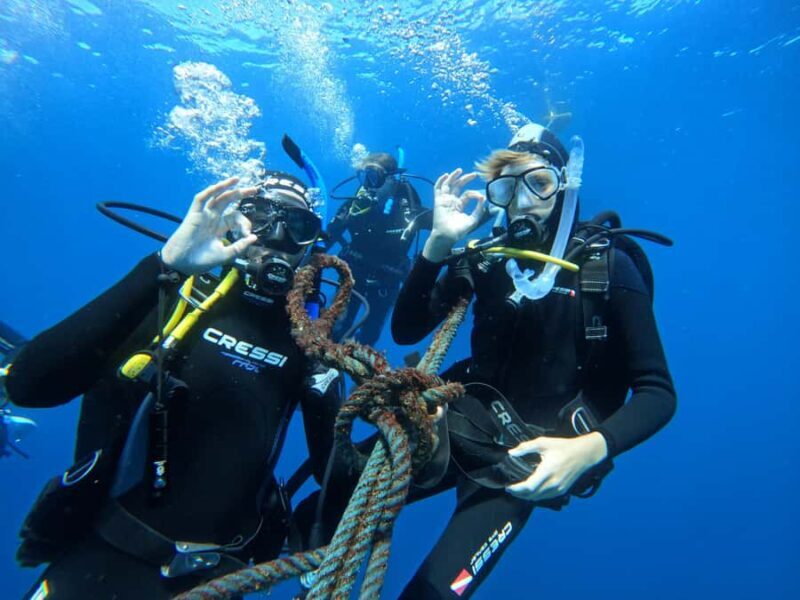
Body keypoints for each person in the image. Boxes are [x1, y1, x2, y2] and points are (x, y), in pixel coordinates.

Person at [4, 173, 342, 599]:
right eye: (259, 217)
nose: (275, 237)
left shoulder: (310, 339)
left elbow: (339, 476)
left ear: (312, 246)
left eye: (298, 227)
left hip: (215, 582)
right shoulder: (172, 296)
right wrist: (164, 265)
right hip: (96, 563)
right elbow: (29, 385)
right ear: (230, 221)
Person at [390, 123, 677, 598]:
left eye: (538, 184)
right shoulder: (486, 260)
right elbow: (407, 328)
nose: (522, 202)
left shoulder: (607, 268)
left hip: (526, 459)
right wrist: (438, 245)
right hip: (457, 422)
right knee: (332, 489)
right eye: (506, 187)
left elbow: (658, 392)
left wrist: (587, 450)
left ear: (565, 187)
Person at [327, 151, 430, 345]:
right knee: (335, 328)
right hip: (352, 275)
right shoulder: (356, 204)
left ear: (391, 179)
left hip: (386, 281)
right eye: (363, 177)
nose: (368, 185)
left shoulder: (408, 207)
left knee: (368, 338)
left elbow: (441, 226)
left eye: (373, 177)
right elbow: (330, 236)